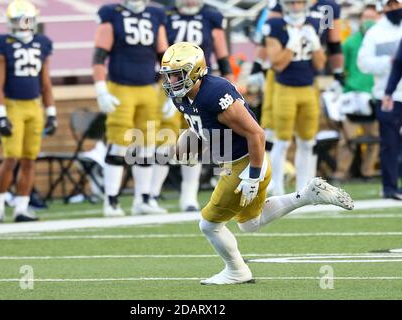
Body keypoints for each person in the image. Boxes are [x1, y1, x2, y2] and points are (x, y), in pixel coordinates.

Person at [159, 41, 353, 285]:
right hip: (239, 163)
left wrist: (252, 174)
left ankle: (237, 271)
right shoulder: (185, 96)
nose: (171, 81)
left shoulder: (214, 93)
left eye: (177, 75)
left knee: (209, 225)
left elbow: (257, 134)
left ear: (195, 71)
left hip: (246, 163)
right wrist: (187, 147)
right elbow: (205, 128)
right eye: (169, 76)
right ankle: (307, 195)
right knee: (250, 223)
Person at [150, 0, 233, 212]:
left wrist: (230, 81)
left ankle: (189, 196)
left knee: (198, 140)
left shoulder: (210, 15)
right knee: (165, 138)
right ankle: (151, 194)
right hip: (171, 84)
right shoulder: (165, 15)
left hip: (199, 85)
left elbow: (222, 52)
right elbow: (159, 53)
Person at [93, 0, 168, 216]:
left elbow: (164, 57)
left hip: (149, 88)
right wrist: (101, 89)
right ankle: (111, 200)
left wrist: (171, 92)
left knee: (147, 144)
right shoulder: (112, 13)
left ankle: (143, 199)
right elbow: (99, 55)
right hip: (121, 88)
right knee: (119, 144)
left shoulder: (155, 14)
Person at [0, 0, 57, 223]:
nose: (23, 25)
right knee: (10, 159)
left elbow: (45, 82)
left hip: (34, 106)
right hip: (12, 105)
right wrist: (1, 114)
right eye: (18, 20)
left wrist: (52, 111)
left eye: (26, 19)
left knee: (30, 159)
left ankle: (21, 207)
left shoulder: (42, 43)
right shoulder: (3, 43)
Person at [263, 0, 327, 196]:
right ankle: (278, 189)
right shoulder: (274, 25)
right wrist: (292, 43)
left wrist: (315, 45)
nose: (296, 6)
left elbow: (320, 65)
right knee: (282, 141)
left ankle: (303, 188)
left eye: (299, 2)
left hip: (308, 88)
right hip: (285, 88)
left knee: (307, 141)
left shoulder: (314, 23)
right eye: (292, 2)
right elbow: (278, 64)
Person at [330, 5, 380, 182]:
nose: (369, 21)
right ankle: (342, 172)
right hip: (351, 96)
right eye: (366, 17)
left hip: (374, 96)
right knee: (347, 138)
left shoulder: (381, 42)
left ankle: (368, 171)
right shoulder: (350, 43)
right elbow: (340, 68)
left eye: (372, 17)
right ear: (360, 19)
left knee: (375, 138)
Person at [359, 0, 402, 200]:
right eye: (391, 6)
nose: (395, 9)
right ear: (384, 8)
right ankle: (390, 187)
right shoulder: (375, 33)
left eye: (397, 4)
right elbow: (363, 63)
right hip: (388, 95)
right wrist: (389, 63)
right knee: (389, 144)